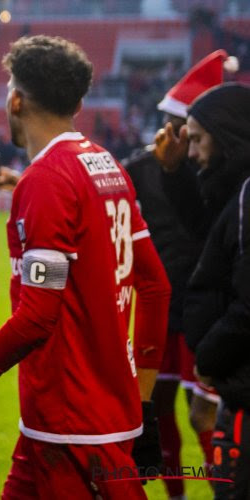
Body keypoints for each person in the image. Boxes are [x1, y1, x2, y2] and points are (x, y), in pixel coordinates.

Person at [0, 35, 171, 499]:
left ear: (15, 99)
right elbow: (154, 286)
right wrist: (145, 399)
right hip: (79, 421)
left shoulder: (47, 181)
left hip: (73, 431)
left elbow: (36, 317)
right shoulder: (105, 164)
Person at [122, 50, 236, 499]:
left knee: (202, 410)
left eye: (186, 127)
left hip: (204, 306)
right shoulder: (138, 167)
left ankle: (224, 486)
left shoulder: (219, 175)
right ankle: (177, 494)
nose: (175, 134)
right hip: (159, 303)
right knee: (158, 404)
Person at [182, 82, 250, 499]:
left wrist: (209, 356)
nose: (191, 152)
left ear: (226, 136)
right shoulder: (236, 194)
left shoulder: (247, 198)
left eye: (197, 139)